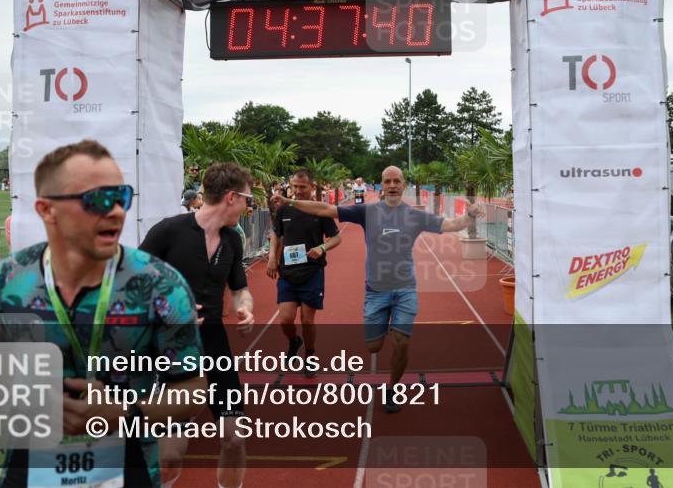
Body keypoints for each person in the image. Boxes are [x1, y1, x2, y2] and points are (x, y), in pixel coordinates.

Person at [0, 140, 207, 488]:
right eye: (98, 199)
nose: (116, 210)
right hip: (29, 464)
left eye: (121, 197)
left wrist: (125, 414)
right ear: (46, 210)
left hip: (126, 464)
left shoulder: (161, 284)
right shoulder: (6, 280)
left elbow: (193, 387)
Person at [272, 165, 483, 412]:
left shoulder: (415, 216)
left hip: (405, 289)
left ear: (404, 185)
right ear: (381, 185)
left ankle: (392, 388)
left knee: (402, 341)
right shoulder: (367, 211)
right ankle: (382, 325)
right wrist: (289, 201)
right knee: (373, 346)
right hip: (376, 290)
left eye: (396, 181)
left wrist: (469, 216)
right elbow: (325, 209)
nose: (392, 185)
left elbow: (451, 224)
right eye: (387, 181)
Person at [140, 162, 255, 488]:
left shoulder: (233, 240)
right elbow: (131, 287)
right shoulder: (168, 232)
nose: (250, 206)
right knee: (170, 457)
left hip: (215, 345)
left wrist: (245, 309)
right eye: (248, 198)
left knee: (234, 438)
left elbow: (240, 289)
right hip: (169, 349)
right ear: (231, 197)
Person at [267, 169, 342, 377]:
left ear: (312, 187)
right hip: (288, 272)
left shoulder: (319, 211)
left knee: (307, 320)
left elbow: (337, 238)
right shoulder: (284, 210)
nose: (298, 191)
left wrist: (323, 248)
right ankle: (294, 341)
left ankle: (309, 356)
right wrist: (272, 257)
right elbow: (276, 233)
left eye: (303, 187)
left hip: (312, 271)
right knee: (285, 318)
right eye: (295, 186)